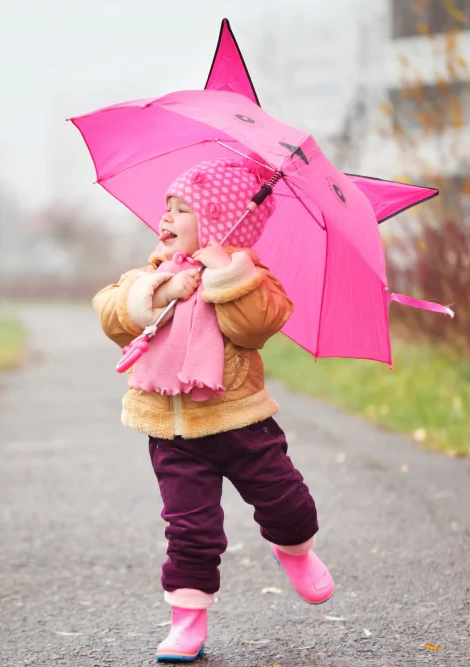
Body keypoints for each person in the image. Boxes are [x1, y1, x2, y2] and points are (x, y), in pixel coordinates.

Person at [93, 158, 334, 662]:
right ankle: (187, 622)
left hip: (241, 423)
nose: (166, 217)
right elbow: (112, 313)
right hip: (175, 433)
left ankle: (294, 550)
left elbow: (256, 326)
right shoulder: (152, 273)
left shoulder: (251, 279)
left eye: (182, 209)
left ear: (219, 222)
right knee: (191, 533)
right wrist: (162, 290)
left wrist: (224, 274)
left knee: (288, 504)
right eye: (167, 207)